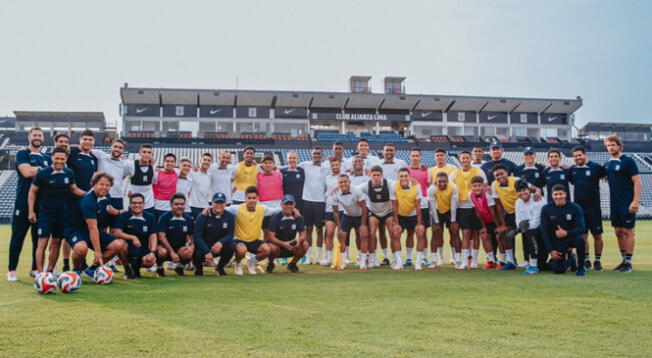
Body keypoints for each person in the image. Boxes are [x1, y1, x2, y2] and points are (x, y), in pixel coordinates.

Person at [28, 147, 85, 273]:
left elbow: (74, 189)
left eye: (62, 158)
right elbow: (32, 191)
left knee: (57, 242)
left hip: (62, 213)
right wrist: (31, 211)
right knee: (42, 243)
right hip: (46, 213)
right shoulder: (43, 173)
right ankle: (40, 273)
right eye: (57, 158)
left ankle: (49, 271)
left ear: (66, 159)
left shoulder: (69, 173)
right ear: (52, 158)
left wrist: (90, 194)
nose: (59, 160)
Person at [63, 172, 131, 280]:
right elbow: (92, 228)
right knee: (81, 248)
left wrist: (119, 212)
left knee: (118, 245)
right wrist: (98, 252)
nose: (104, 187)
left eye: (107, 185)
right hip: (75, 230)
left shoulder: (106, 196)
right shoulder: (88, 201)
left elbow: (108, 208)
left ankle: (92, 270)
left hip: (92, 230)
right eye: (101, 184)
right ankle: (76, 271)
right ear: (94, 185)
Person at [7, 128, 51, 281]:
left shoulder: (47, 156)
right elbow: (26, 172)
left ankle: (34, 269)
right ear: (29, 137)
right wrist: (44, 170)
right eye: (35, 135)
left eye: (40, 135)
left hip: (41, 205)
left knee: (38, 240)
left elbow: (52, 173)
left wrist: (39, 170)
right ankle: (12, 270)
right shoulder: (22, 153)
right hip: (23, 203)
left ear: (43, 138)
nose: (37, 137)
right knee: (18, 237)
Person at [492, 165, 542, 270]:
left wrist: (537, 193)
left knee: (527, 233)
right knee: (505, 234)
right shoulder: (494, 185)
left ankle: (527, 261)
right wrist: (502, 224)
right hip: (511, 212)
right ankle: (511, 261)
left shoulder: (516, 181)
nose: (500, 176)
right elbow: (498, 205)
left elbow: (536, 189)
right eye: (497, 175)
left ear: (507, 173)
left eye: (502, 174)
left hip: (524, 210)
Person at [224, 186, 283, 275]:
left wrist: (291, 209)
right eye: (249, 198)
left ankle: (250, 263)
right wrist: (208, 208)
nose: (251, 200)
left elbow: (275, 211)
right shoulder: (237, 208)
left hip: (254, 240)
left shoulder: (262, 209)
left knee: (267, 249)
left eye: (254, 198)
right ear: (245, 198)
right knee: (242, 250)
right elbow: (221, 209)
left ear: (257, 198)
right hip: (239, 240)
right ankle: (238, 263)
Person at [603, 135, 641, 273]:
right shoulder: (608, 163)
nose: (611, 147)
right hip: (614, 204)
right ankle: (623, 260)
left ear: (619, 146)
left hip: (627, 202)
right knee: (618, 231)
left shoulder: (628, 161)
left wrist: (635, 201)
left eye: (613, 145)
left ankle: (629, 263)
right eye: (608, 145)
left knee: (628, 231)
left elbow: (637, 181)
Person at [568, 146, 606, 270]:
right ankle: (586, 259)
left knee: (597, 235)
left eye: (579, 155)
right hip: (579, 209)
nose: (578, 157)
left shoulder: (596, 167)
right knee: (583, 236)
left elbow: (605, 175)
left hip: (594, 208)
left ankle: (598, 260)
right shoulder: (572, 170)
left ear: (585, 155)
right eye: (575, 156)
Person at [450, 151, 487, 267]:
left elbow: (484, 186)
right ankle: (465, 261)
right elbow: (451, 190)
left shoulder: (478, 171)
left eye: (467, 158)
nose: (465, 160)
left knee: (476, 234)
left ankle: (474, 261)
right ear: (460, 160)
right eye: (463, 158)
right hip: (462, 207)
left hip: (475, 206)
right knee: (465, 233)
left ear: (470, 159)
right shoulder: (454, 174)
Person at [540, 184, 587, 276]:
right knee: (558, 271)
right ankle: (572, 260)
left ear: (565, 194)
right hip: (557, 241)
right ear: (552, 195)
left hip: (571, 237)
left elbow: (582, 228)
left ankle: (581, 267)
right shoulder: (546, 209)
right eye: (555, 194)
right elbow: (544, 231)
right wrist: (551, 250)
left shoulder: (575, 207)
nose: (558, 197)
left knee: (580, 241)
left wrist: (566, 233)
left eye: (560, 194)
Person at [90, 139, 132, 234]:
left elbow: (127, 175)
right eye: (115, 146)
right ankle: (102, 249)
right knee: (102, 229)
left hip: (117, 198)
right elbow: (85, 148)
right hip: (102, 197)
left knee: (115, 230)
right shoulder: (102, 156)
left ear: (123, 150)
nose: (117, 149)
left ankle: (113, 248)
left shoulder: (125, 164)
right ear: (111, 147)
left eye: (120, 148)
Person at [113, 193, 158, 279]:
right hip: (128, 248)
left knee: (149, 261)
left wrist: (152, 252)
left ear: (144, 205)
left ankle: (136, 269)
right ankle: (127, 269)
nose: (137, 205)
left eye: (140, 203)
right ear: (130, 204)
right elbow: (117, 232)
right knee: (120, 244)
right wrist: (132, 237)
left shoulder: (150, 217)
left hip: (143, 248)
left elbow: (153, 236)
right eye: (134, 203)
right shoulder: (124, 216)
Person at [358, 166, 395, 267]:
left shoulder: (389, 184)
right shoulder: (366, 186)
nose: (376, 177)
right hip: (374, 213)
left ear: (382, 175)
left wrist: (411, 182)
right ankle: (372, 260)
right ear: (370, 175)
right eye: (374, 175)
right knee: (372, 233)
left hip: (388, 212)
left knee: (392, 232)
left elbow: (401, 184)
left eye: (378, 175)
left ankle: (394, 259)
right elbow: (354, 189)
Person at [332, 175, 369, 270]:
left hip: (360, 215)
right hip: (347, 215)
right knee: (341, 236)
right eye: (341, 182)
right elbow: (335, 211)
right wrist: (339, 227)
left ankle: (362, 262)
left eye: (345, 181)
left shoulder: (357, 190)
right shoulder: (335, 193)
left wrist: (363, 225)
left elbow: (364, 208)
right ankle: (343, 263)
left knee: (363, 235)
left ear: (349, 182)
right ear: (338, 184)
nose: (343, 184)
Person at [193, 192, 235, 276]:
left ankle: (220, 268)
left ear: (225, 204)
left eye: (221, 202)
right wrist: (207, 251)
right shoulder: (203, 215)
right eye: (216, 202)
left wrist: (221, 242)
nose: (219, 205)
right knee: (196, 253)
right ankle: (198, 269)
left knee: (231, 246)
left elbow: (230, 235)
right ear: (212, 203)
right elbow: (197, 236)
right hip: (204, 246)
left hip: (218, 246)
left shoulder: (229, 216)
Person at [391, 168, 425, 271]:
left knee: (419, 232)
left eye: (405, 176)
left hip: (414, 214)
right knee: (396, 234)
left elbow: (418, 206)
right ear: (398, 177)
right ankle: (399, 263)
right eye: (401, 176)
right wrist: (396, 224)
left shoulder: (416, 186)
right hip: (400, 214)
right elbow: (394, 207)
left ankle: (417, 262)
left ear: (409, 177)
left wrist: (419, 224)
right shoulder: (394, 186)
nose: (403, 178)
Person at [266, 194, 309, 273]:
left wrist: (298, 241)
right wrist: (284, 244)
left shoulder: (298, 217)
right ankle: (271, 263)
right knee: (272, 247)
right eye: (286, 204)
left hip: (292, 247)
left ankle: (292, 264)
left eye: (290, 204)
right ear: (281, 205)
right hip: (278, 247)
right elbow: (271, 237)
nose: (288, 206)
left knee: (305, 244)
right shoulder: (275, 218)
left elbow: (303, 235)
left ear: (294, 205)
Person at [299, 147, 328, 265]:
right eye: (314, 153)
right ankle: (309, 257)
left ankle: (320, 257)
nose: (316, 155)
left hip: (320, 202)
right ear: (311, 155)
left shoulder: (326, 167)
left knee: (319, 229)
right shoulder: (305, 165)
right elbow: (289, 166)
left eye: (318, 154)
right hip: (307, 201)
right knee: (308, 230)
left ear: (322, 155)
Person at [156, 194, 195, 276]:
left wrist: (191, 247)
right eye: (176, 204)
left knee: (190, 251)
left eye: (182, 204)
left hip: (180, 248)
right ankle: (159, 268)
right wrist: (172, 252)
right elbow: (161, 237)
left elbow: (192, 237)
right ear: (171, 206)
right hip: (165, 248)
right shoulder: (164, 217)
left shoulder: (189, 219)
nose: (179, 206)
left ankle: (180, 267)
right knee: (161, 252)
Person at [468, 176, 501, 269]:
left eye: (479, 185)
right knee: (484, 235)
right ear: (471, 187)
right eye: (474, 186)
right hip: (485, 221)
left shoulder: (487, 194)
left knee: (499, 237)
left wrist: (498, 226)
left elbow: (493, 211)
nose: (477, 188)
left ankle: (504, 260)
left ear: (483, 186)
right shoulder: (470, 195)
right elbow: (477, 212)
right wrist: (483, 226)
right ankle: (491, 260)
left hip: (495, 220)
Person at [427, 172, 459, 269]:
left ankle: (456, 259)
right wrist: (436, 222)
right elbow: (432, 206)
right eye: (439, 182)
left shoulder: (453, 187)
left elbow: (453, 205)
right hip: (437, 210)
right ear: (436, 182)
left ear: (448, 182)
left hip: (450, 210)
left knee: (454, 233)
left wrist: (453, 221)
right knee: (436, 233)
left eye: (444, 181)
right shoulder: (432, 189)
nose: (442, 184)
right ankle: (436, 260)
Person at [514, 180, 546, 275]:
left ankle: (533, 266)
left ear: (529, 190)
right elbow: (518, 219)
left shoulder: (538, 199)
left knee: (530, 231)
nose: (522, 193)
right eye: (519, 191)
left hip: (544, 233)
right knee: (543, 266)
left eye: (524, 190)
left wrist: (521, 228)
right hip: (531, 232)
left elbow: (537, 222)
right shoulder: (518, 202)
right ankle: (533, 263)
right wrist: (519, 227)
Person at [406, 148, 431, 267]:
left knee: (423, 232)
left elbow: (429, 185)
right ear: (410, 157)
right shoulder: (406, 170)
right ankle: (409, 258)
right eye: (413, 155)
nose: (415, 157)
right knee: (410, 232)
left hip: (424, 204)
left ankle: (424, 258)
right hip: (410, 204)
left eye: (417, 155)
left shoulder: (426, 170)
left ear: (420, 157)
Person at [52, 133, 73, 271]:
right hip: (51, 207)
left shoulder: (69, 167)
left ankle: (66, 264)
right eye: (60, 141)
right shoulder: (49, 160)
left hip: (68, 205)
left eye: (66, 141)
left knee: (66, 236)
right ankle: (50, 268)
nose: (63, 143)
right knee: (52, 239)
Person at [323, 157, 344, 266]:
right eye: (333, 165)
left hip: (342, 209)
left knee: (341, 234)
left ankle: (342, 257)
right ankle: (329, 257)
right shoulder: (326, 178)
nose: (335, 167)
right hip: (329, 209)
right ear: (330, 166)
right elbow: (324, 191)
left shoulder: (344, 177)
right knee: (330, 232)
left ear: (340, 165)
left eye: (337, 165)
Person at [129, 144, 156, 216]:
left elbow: (155, 182)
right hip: (135, 205)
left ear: (151, 155)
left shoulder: (153, 167)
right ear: (140, 153)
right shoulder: (131, 165)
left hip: (149, 205)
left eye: (149, 152)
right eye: (144, 152)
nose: (146, 154)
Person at [152, 153, 179, 219]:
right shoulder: (156, 174)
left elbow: (187, 169)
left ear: (175, 163)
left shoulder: (178, 172)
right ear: (164, 162)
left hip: (172, 208)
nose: (169, 163)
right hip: (158, 207)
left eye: (172, 161)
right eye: (167, 161)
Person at [188, 153, 212, 218]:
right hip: (194, 207)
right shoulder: (192, 172)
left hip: (205, 208)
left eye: (208, 160)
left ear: (210, 163)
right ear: (200, 161)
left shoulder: (210, 176)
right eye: (204, 159)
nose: (206, 162)